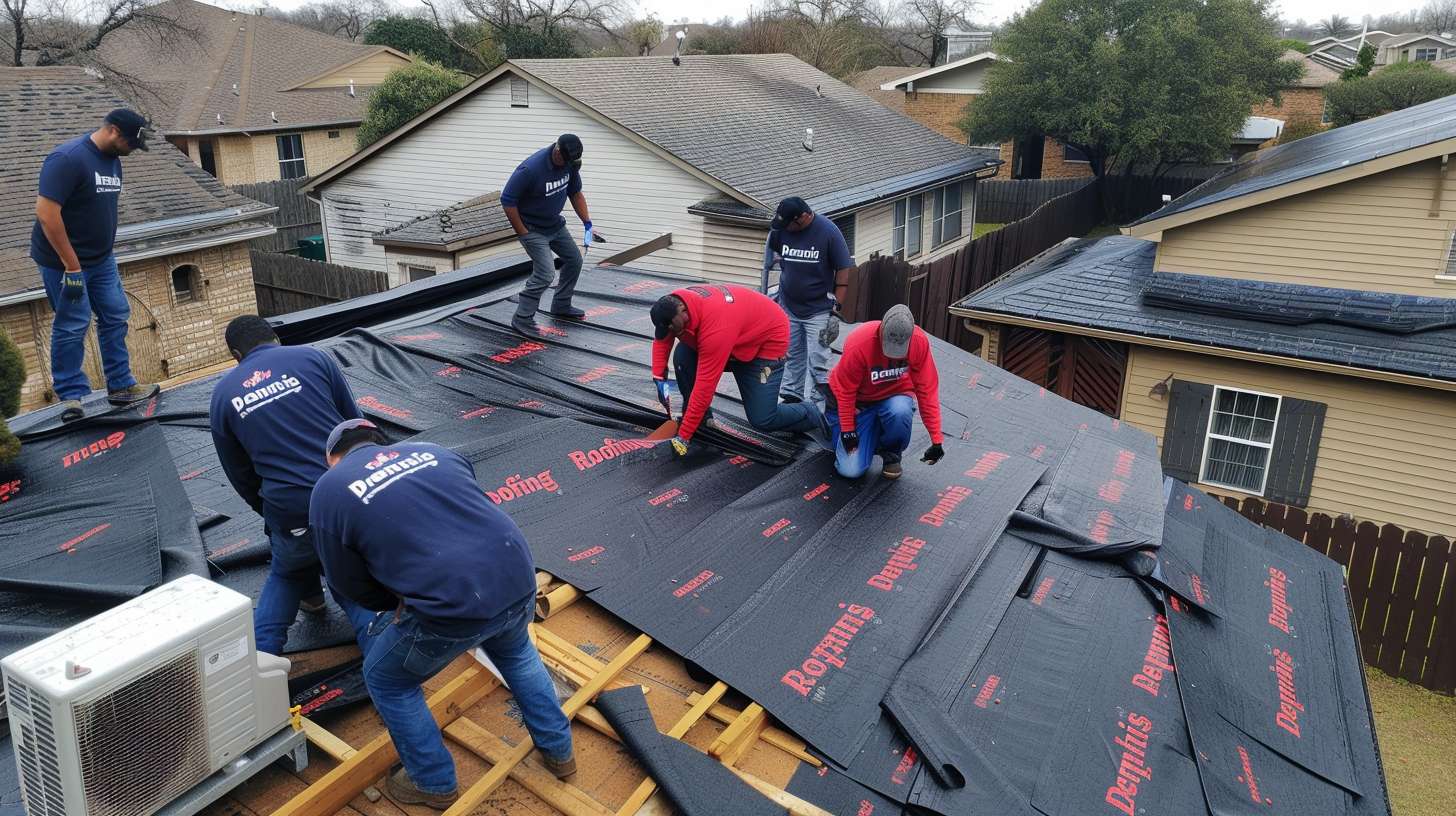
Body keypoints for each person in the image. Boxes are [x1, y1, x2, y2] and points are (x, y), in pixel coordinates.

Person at [310, 418, 575, 809]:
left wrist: (394, 603)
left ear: (332, 457)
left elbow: (346, 583)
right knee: (517, 652)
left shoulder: (330, 489)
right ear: (382, 443)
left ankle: (432, 784)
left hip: (453, 608)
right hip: (517, 577)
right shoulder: (433, 452)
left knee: (387, 680)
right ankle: (559, 752)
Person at [209, 315, 361, 656]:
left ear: (236, 354)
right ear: (275, 338)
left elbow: (239, 473)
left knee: (289, 566)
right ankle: (382, 658)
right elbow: (354, 426)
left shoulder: (223, 395)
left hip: (288, 506)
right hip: (341, 491)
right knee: (351, 574)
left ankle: (262, 659)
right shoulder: (313, 358)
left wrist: (270, 511)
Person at [31, 108, 159, 422]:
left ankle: (120, 385)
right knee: (73, 325)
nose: (132, 150)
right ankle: (71, 397)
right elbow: (47, 214)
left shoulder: (113, 161)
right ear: (114, 131)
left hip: (102, 261)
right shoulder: (68, 159)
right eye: (130, 142)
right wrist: (72, 265)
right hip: (65, 265)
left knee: (115, 315)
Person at [649, 284, 825, 455]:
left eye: (672, 327)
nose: (670, 331)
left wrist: (683, 437)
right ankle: (701, 420)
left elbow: (705, 386)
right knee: (683, 356)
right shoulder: (673, 305)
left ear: (682, 310)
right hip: (735, 337)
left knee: (763, 418)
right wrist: (658, 377)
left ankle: (813, 412)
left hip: (763, 346)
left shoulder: (715, 327)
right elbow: (663, 339)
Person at [828, 305, 945, 480]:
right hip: (858, 404)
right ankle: (857, 430)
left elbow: (927, 391)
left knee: (901, 410)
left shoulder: (919, 342)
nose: (893, 355)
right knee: (850, 471)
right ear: (881, 331)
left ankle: (891, 453)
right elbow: (846, 391)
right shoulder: (860, 343)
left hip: (892, 399)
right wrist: (848, 430)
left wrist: (936, 440)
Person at [502, 134, 604, 335]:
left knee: (574, 260)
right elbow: (507, 201)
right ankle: (522, 318)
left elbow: (575, 193)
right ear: (557, 151)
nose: (567, 165)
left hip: (554, 224)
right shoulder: (530, 169)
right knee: (546, 274)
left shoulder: (570, 164)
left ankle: (561, 305)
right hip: (532, 228)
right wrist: (522, 232)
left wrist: (587, 223)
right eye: (565, 160)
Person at [764, 197, 853, 409]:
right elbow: (771, 262)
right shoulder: (781, 230)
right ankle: (791, 399)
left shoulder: (828, 231)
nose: (786, 229)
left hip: (819, 310)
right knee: (791, 356)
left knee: (819, 360)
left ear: (803, 217)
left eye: (789, 224)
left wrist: (835, 310)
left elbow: (843, 269)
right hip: (788, 306)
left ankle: (818, 407)